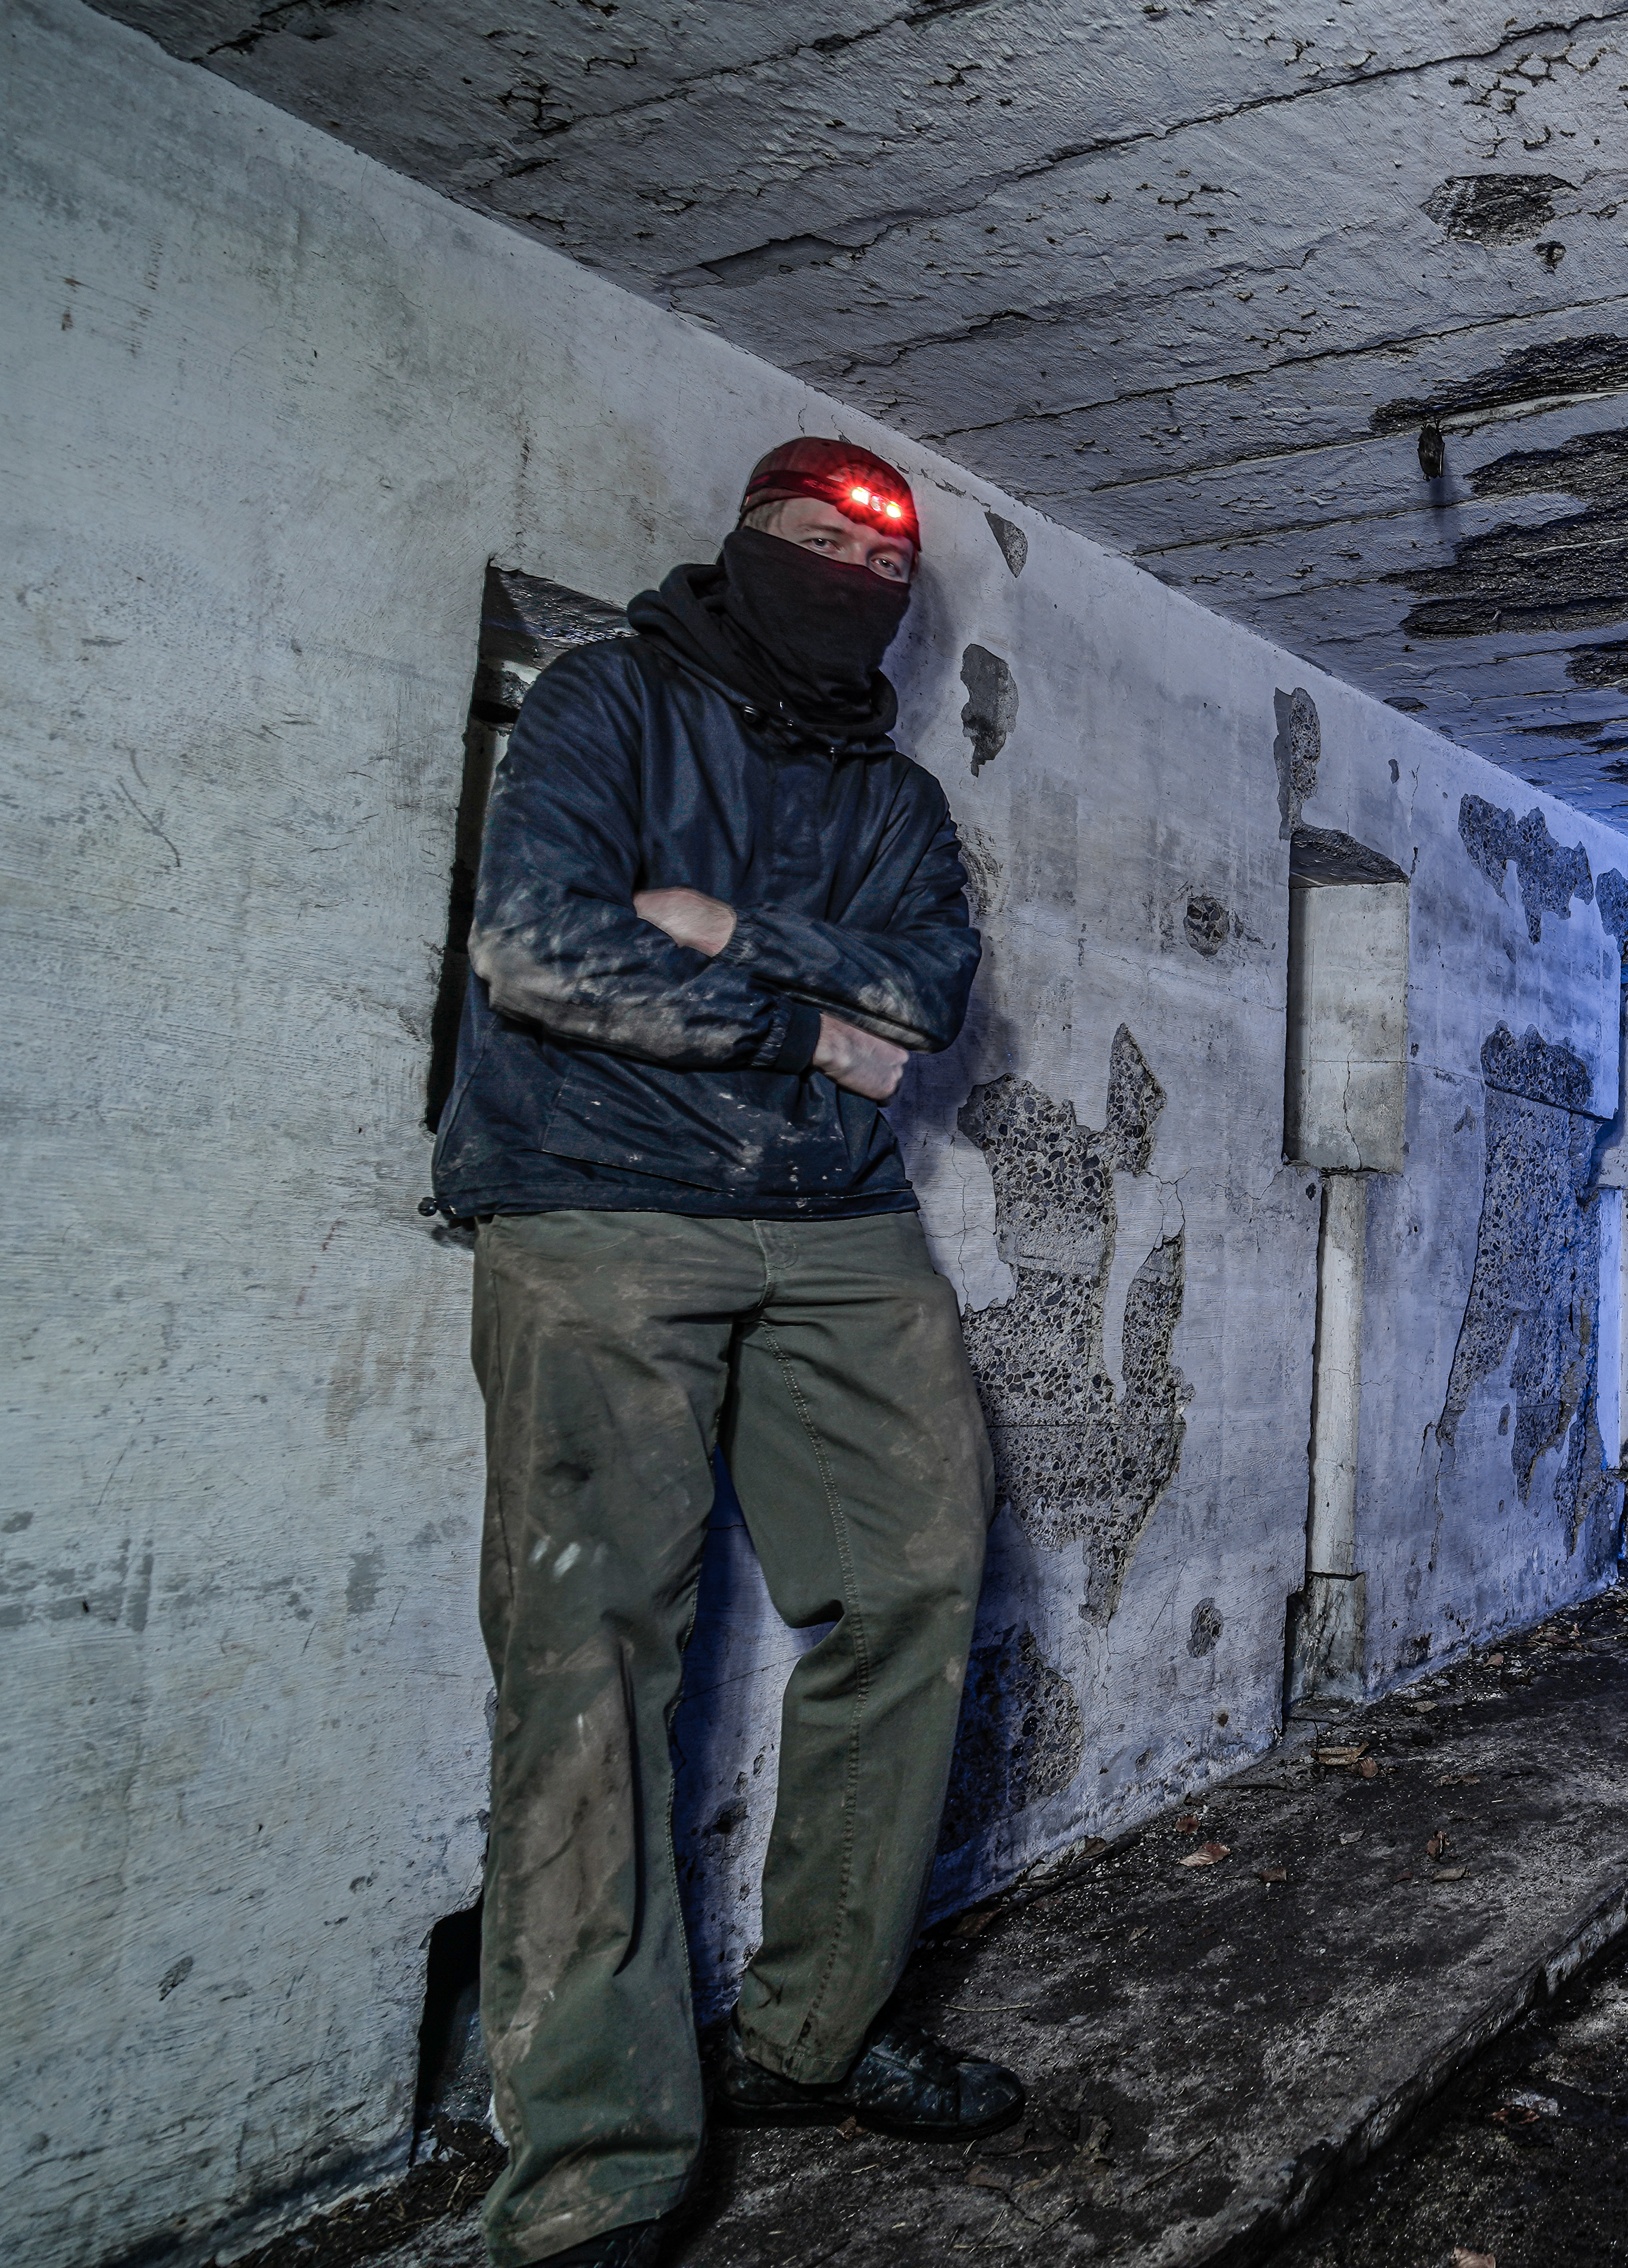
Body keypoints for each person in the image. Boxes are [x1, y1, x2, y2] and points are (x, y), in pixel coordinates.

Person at [428, 439, 1017, 2268]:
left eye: (883, 558)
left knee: (921, 1586)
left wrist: (730, 931)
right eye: (819, 538)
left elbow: (922, 1004)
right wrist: (805, 1024)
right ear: (745, 541)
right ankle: (596, 2166)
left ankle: (810, 2037)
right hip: (595, 1208)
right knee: (591, 1645)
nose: (854, 571)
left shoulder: (901, 801)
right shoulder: (610, 701)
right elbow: (539, 957)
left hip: (839, 1226)